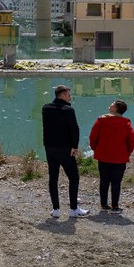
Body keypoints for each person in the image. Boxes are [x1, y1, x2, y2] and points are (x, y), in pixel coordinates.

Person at [42, 84, 89, 218]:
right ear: (63, 96)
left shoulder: (45, 108)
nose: (70, 97)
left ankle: (56, 209)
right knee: (74, 178)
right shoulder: (68, 110)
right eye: (69, 95)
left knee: (53, 178)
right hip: (65, 149)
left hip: (50, 148)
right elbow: (74, 129)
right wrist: (74, 147)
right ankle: (74, 209)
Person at [88, 99, 134, 214]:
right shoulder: (126, 123)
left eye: (112, 104)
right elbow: (132, 140)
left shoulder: (101, 120)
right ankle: (115, 206)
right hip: (120, 158)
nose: (110, 105)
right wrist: (127, 152)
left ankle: (104, 205)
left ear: (115, 108)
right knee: (116, 182)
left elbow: (93, 137)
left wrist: (97, 149)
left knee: (104, 180)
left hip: (103, 156)